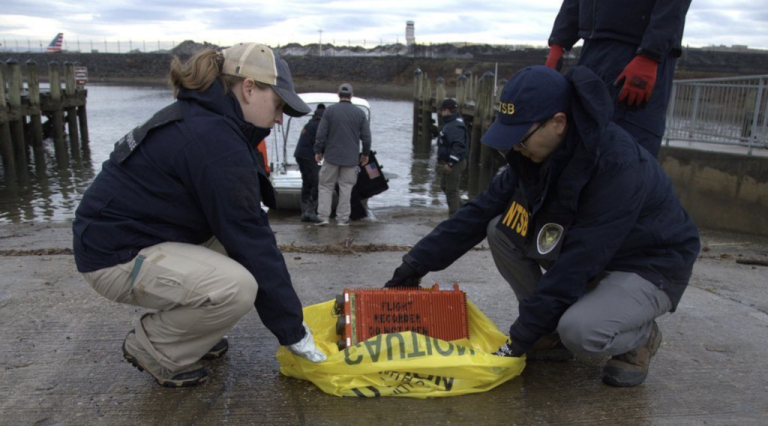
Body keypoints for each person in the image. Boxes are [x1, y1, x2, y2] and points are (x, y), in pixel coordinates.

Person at [384, 66, 700, 387]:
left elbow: (580, 262)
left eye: (520, 138)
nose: (515, 148)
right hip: (593, 253)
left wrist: (520, 336)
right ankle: (549, 332)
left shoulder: (617, 166)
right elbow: (478, 212)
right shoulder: (534, 156)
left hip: (648, 264)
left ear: (558, 123)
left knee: (581, 332)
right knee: (499, 229)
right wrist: (413, 266)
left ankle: (640, 337)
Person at [72, 43, 327, 388]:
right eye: (279, 105)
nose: (280, 117)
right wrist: (292, 332)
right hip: (113, 254)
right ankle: (156, 346)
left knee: (237, 256)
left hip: (139, 235)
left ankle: (190, 335)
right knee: (236, 287)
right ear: (249, 88)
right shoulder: (213, 139)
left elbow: (244, 232)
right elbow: (251, 238)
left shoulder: (206, 119)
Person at [544, 0, 692, 158]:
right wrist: (559, 42)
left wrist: (650, 54)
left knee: (626, 152)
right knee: (582, 145)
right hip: (593, 48)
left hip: (635, 53)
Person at [314, 83, 372, 226]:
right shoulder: (360, 113)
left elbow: (321, 133)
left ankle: (323, 217)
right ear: (351, 96)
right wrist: (365, 154)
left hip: (331, 157)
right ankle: (342, 219)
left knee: (326, 185)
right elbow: (366, 137)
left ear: (338, 95)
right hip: (351, 159)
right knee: (346, 187)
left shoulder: (329, 111)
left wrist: (318, 151)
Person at [293, 104, 325, 223]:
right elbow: (322, 142)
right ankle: (311, 212)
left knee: (307, 183)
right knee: (317, 183)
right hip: (308, 156)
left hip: (299, 155)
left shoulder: (310, 123)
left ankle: (304, 212)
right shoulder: (319, 125)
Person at [436, 98, 469, 215]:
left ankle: (454, 217)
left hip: (455, 162)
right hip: (451, 161)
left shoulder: (455, 126)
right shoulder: (451, 123)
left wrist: (451, 164)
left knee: (451, 191)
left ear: (447, 111)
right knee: (444, 186)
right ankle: (464, 210)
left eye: (442, 110)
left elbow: (459, 146)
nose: (441, 112)